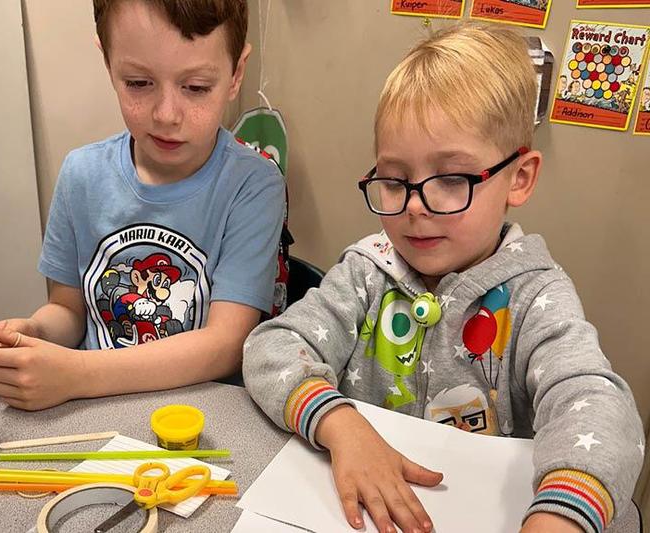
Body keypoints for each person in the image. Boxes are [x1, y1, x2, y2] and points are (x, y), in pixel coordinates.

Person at [243, 22, 643, 533]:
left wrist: (560, 516)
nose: (415, 206)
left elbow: (596, 405)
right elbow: (271, 347)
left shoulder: (536, 295)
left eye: (452, 179)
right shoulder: (366, 271)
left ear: (519, 178)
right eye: (395, 180)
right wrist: (339, 424)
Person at [0, 0, 284, 411]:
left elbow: (225, 345)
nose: (166, 114)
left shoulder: (253, 183)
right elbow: (67, 309)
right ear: (108, 62)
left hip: (199, 416)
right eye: (138, 82)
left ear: (236, 74)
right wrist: (35, 334)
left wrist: (74, 374)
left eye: (195, 88)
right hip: (90, 409)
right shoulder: (81, 174)